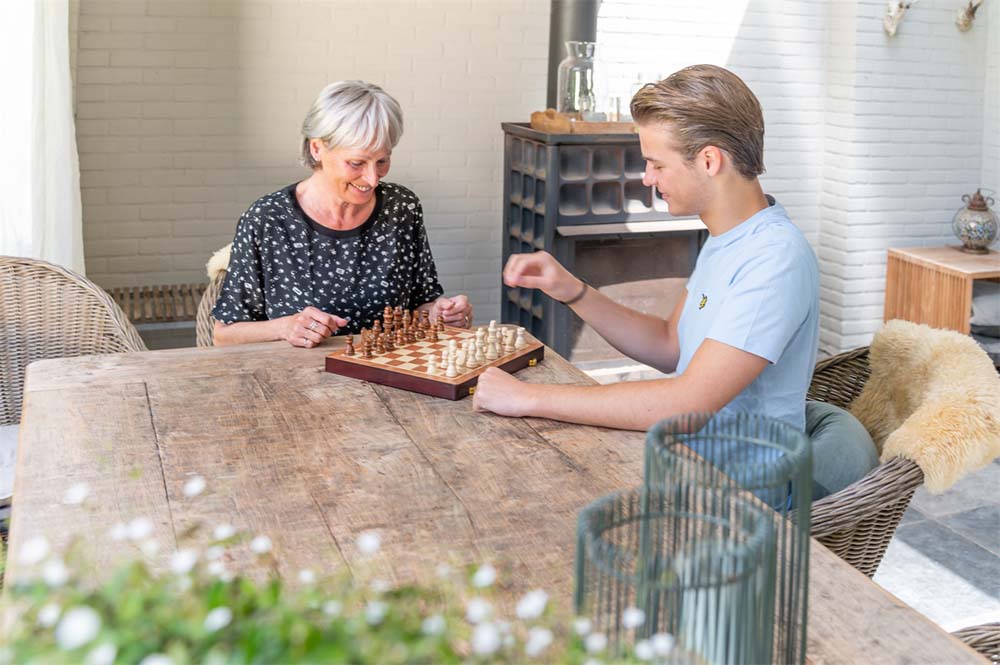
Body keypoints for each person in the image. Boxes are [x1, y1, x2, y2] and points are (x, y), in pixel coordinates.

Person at [474, 64, 820, 433]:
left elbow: (685, 405)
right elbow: (670, 345)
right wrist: (573, 291)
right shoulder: (727, 239)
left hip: (731, 486)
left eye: (657, 164)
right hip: (683, 464)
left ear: (708, 161)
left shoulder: (774, 259)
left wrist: (528, 398)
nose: (647, 177)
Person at [212, 80, 472, 348]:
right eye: (357, 163)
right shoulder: (267, 219)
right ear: (317, 149)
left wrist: (442, 313)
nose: (372, 179)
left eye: (382, 161)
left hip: (389, 372)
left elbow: (421, 304)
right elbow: (224, 334)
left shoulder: (402, 207)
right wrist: (285, 327)